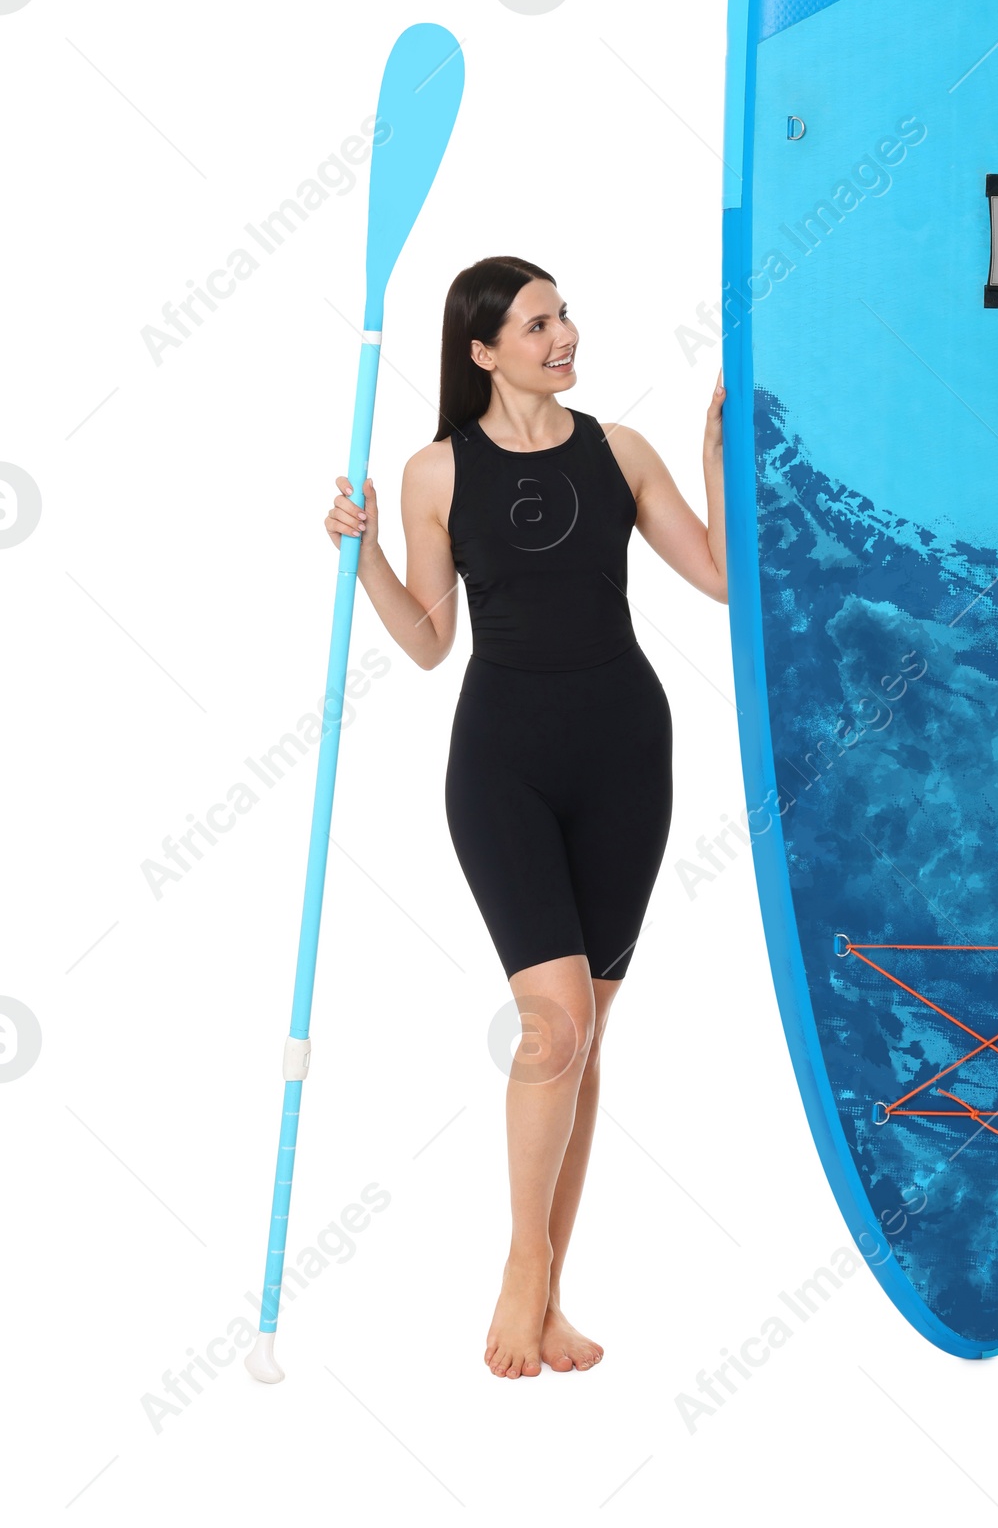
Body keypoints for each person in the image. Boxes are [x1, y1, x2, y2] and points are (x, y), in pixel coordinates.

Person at [323, 254, 726, 1379]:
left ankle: (552, 1294)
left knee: (585, 1034)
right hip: (501, 764)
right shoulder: (434, 472)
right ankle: (522, 1267)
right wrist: (359, 561)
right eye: (539, 322)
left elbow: (725, 579)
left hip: (626, 760)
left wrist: (711, 459)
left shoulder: (621, 451)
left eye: (565, 315)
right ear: (482, 349)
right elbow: (428, 639)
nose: (565, 334)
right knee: (551, 1024)